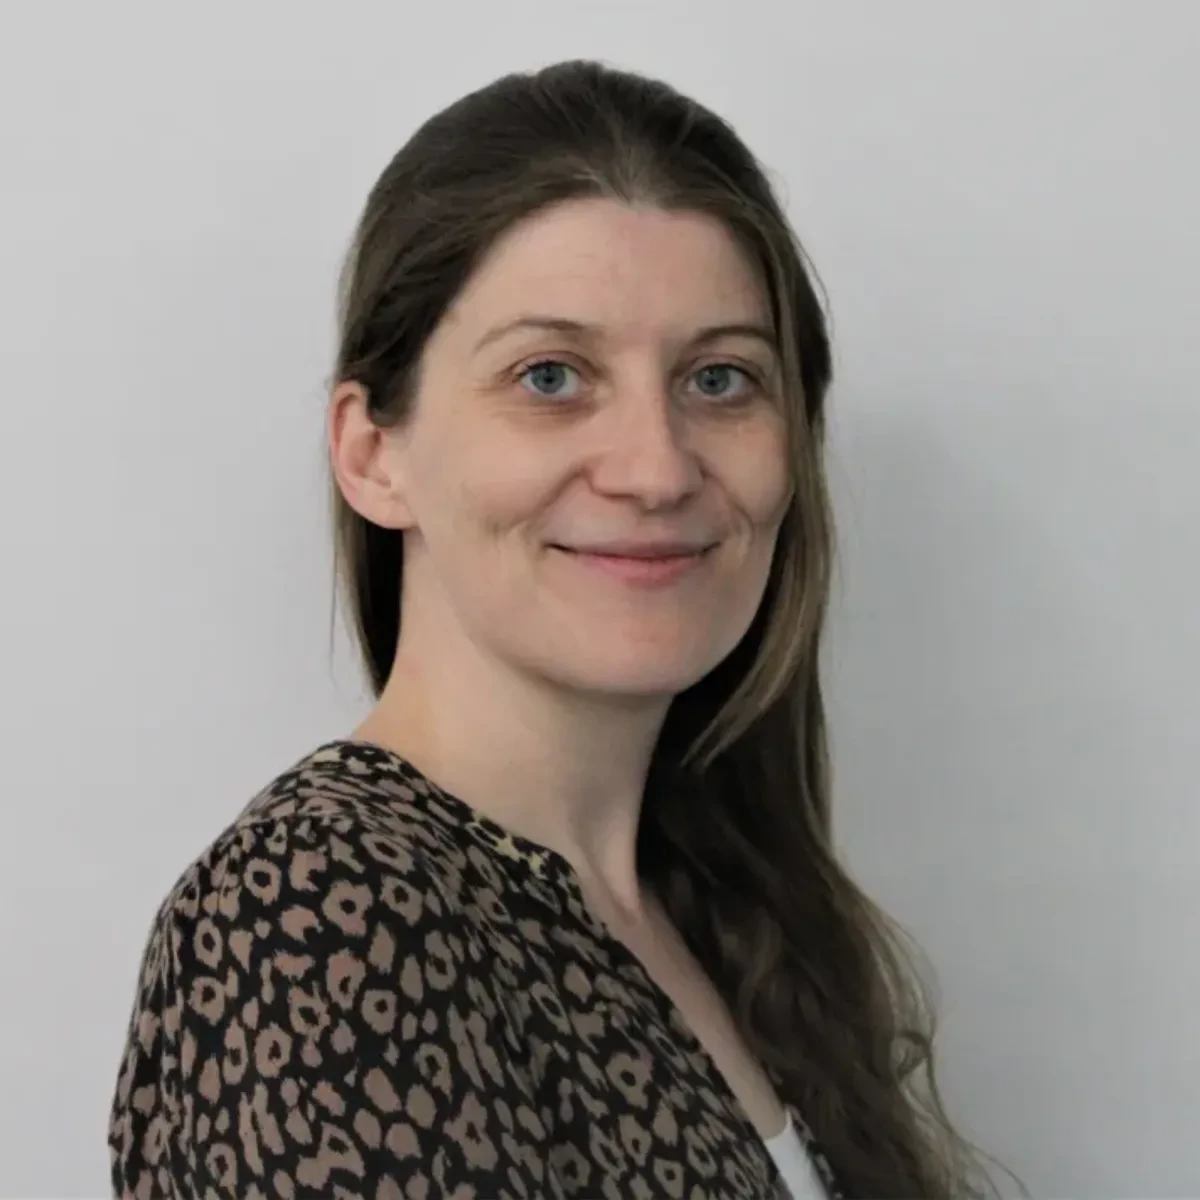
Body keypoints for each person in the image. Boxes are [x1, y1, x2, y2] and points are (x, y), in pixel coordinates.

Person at [108, 59, 1009, 1199]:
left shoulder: (716, 903)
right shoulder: (318, 915)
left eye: (721, 380)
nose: (656, 466)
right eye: (550, 375)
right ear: (371, 452)